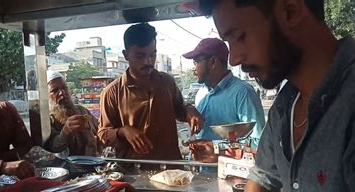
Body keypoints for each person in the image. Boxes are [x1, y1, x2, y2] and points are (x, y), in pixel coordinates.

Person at [112, 0, 355, 192]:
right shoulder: (287, 104)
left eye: (239, 37)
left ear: (290, 10)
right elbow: (262, 179)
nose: (236, 58)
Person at [98, 23, 204, 160]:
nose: (148, 61)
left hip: (172, 168)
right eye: (140, 56)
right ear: (126, 55)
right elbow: (103, 135)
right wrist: (123, 131)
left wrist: (190, 110)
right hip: (134, 172)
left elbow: (180, 110)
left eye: (152, 55)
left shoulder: (167, 82)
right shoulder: (112, 92)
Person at [183, 38, 265, 147]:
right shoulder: (201, 94)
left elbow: (259, 142)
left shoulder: (243, 93)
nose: (194, 68)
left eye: (197, 61)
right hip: (202, 164)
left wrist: (217, 148)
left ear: (213, 62)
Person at [44, 71, 101, 156]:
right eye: (55, 90)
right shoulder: (48, 120)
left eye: (64, 88)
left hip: (93, 164)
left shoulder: (82, 111)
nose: (62, 93)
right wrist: (65, 132)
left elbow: (100, 128)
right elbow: (52, 146)